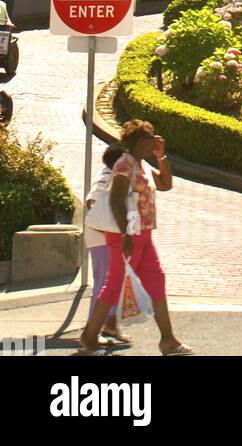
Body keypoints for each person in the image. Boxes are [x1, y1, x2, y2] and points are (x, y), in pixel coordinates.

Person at [77, 118, 193, 356]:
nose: (153, 140)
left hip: (144, 235)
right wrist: (125, 234)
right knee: (113, 286)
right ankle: (89, 341)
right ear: (136, 141)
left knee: (156, 281)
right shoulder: (125, 164)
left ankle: (168, 340)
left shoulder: (142, 165)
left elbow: (165, 184)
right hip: (127, 235)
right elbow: (116, 199)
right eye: (148, 137)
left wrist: (161, 156)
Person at [81, 144, 128, 349]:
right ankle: (92, 329)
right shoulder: (107, 178)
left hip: (105, 238)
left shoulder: (109, 175)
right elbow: (92, 200)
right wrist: (104, 224)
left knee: (112, 281)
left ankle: (109, 324)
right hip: (101, 239)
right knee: (103, 283)